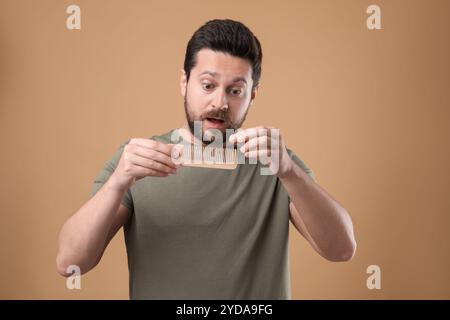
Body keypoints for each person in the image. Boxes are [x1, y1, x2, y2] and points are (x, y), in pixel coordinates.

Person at [56, 19, 356, 299]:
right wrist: (117, 183)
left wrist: (291, 172)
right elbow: (70, 263)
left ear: (252, 94)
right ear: (184, 83)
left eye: (235, 90)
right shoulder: (135, 161)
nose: (220, 103)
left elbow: (341, 249)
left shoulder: (277, 165)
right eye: (208, 85)